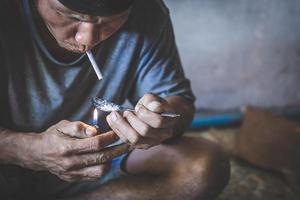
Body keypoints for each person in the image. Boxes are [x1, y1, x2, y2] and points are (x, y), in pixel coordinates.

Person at [0, 0, 230, 199]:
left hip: (96, 168)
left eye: (107, 21)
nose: (86, 39)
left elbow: (178, 102)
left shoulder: (147, 13)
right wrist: (28, 150)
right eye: (69, 16)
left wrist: (161, 120)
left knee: (205, 166)